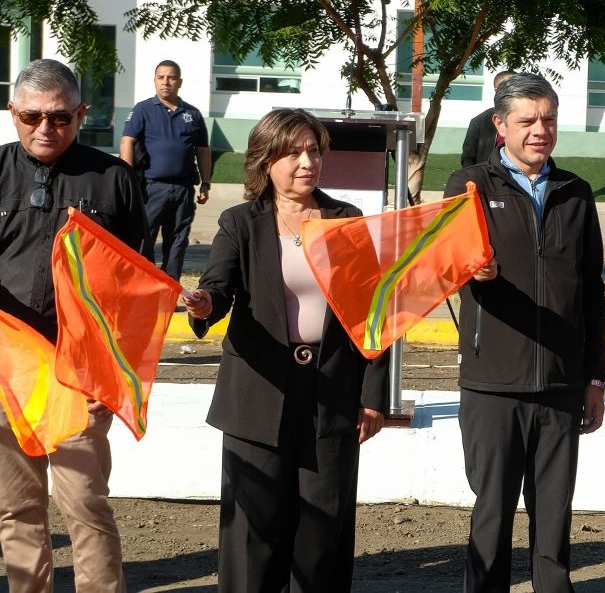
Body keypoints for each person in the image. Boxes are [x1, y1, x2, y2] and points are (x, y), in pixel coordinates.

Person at [181, 108, 389, 591]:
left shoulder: (346, 220)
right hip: (258, 393)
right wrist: (204, 304)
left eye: (314, 150)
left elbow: (372, 310)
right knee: (252, 534)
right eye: (293, 152)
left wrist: (373, 395)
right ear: (265, 160)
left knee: (322, 534)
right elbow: (218, 288)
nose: (307, 162)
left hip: (331, 394)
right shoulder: (240, 222)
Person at [444, 73, 605, 592]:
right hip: (493, 382)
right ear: (500, 125)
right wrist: (472, 270)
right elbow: (443, 265)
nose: (541, 130)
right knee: (492, 515)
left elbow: (592, 291)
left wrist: (594, 378)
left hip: (561, 383)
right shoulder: (469, 186)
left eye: (549, 119)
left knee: (554, 522)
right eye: (528, 120)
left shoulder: (576, 193)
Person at [0, 59, 146, 592]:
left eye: (60, 117)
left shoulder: (114, 180)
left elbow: (136, 289)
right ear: (12, 111)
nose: (46, 128)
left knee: (84, 504)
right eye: (32, 116)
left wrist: (112, 378)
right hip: (8, 373)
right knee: (16, 508)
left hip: (79, 375)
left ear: (81, 114)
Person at [120, 59, 212, 281]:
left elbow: (203, 151)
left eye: (171, 77)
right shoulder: (143, 109)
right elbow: (127, 142)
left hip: (183, 189)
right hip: (151, 188)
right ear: (154, 80)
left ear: (180, 82)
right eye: (161, 77)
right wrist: (127, 179)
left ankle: (169, 286)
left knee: (178, 240)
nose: (166, 82)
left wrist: (206, 183)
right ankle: (141, 284)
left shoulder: (193, 114)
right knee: (144, 238)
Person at [459, 70, 515, 167]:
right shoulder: (479, 122)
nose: (511, 93)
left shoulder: (531, 120)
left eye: (516, 88)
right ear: (496, 91)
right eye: (505, 89)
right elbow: (468, 158)